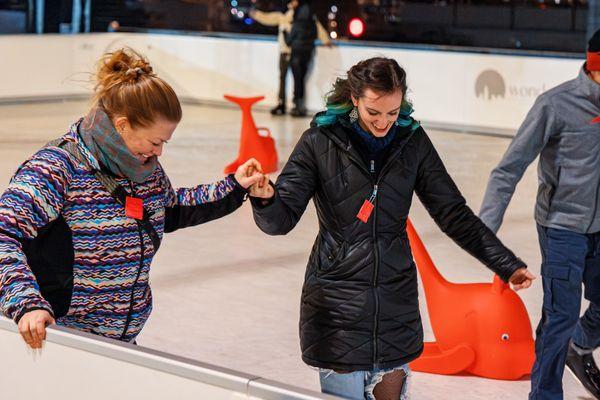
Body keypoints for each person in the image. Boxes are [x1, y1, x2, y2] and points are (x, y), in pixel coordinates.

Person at [248, 56, 534, 400]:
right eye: (374, 112)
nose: (384, 122)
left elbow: (453, 213)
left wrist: (505, 263)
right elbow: (281, 220)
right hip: (338, 306)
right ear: (354, 99)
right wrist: (265, 198)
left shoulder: (411, 142)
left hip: (394, 304)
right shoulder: (320, 141)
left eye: (393, 112)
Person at [0, 48, 263, 349]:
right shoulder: (57, 168)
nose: (159, 152)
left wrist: (234, 186)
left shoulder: (143, 169)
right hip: (60, 341)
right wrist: (26, 303)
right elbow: (4, 233)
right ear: (123, 124)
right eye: (155, 141)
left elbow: (169, 209)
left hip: (121, 344)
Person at [479, 30, 600, 400]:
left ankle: (577, 347)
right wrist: (483, 236)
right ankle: (545, 394)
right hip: (562, 225)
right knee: (560, 314)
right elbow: (508, 169)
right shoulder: (556, 104)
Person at [251, 0, 330, 116]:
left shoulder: (301, 16)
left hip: (293, 51)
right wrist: (256, 14)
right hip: (285, 51)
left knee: (296, 80)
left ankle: (294, 105)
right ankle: (282, 103)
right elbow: (268, 18)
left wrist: (325, 40)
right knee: (284, 79)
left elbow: (317, 26)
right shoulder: (283, 16)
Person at [284, 0, 320, 117]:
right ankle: (301, 106)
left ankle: (297, 106)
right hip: (307, 54)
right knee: (302, 80)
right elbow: (315, 36)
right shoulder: (312, 24)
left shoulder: (296, 24)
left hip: (296, 54)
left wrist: (285, 33)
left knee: (297, 80)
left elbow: (288, 42)